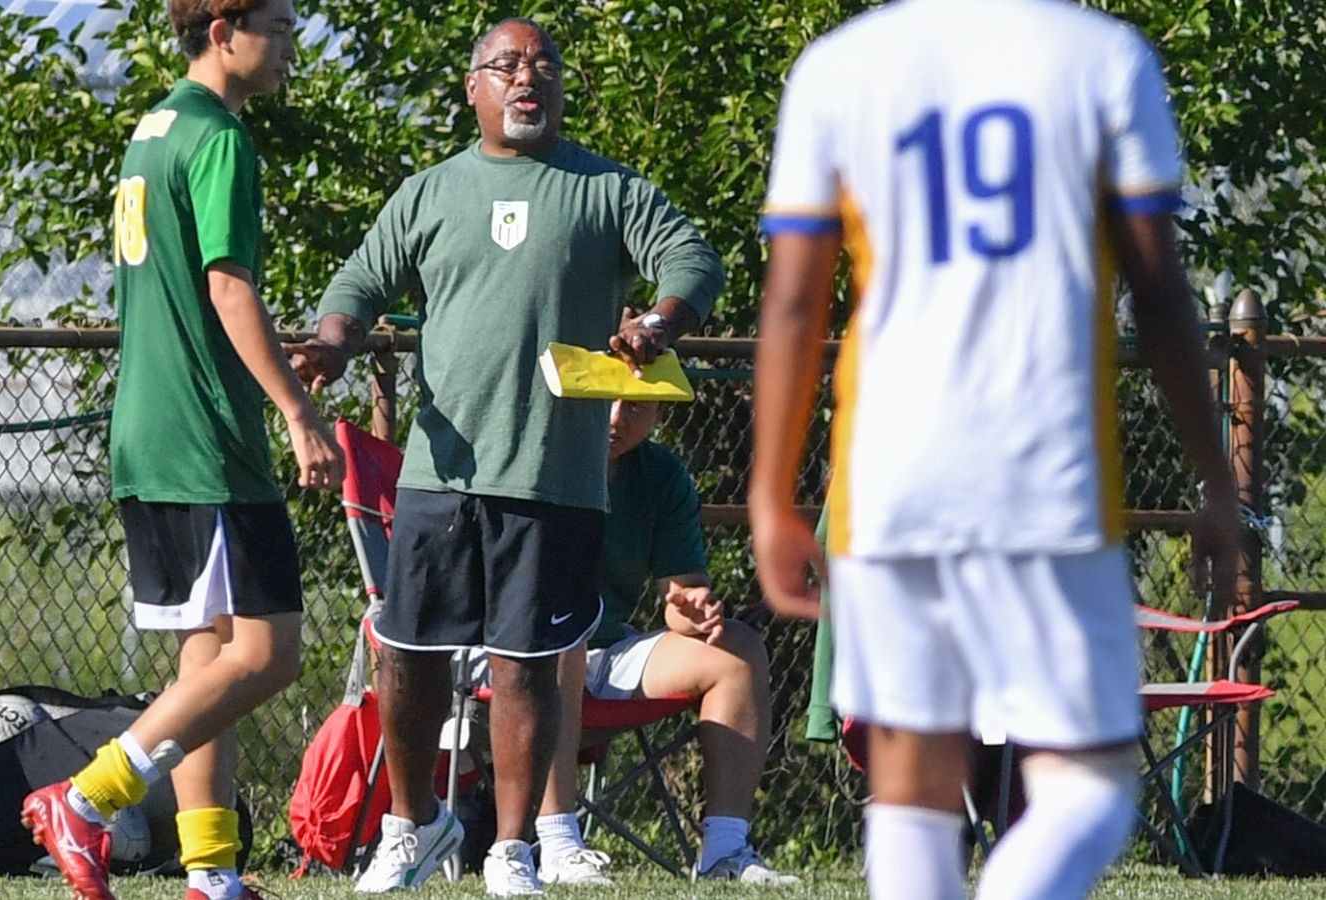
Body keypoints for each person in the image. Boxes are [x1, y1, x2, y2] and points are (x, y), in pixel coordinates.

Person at [748, 2, 1241, 900]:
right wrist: (1215, 480)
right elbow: (1162, 294)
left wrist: (770, 495)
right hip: (1045, 467)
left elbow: (791, 302)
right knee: (1091, 784)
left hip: (890, 471)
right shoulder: (1102, 56)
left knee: (911, 788)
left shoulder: (841, 65)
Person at [288, 17, 722, 896]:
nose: (529, 79)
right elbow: (359, 282)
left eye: (544, 66)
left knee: (528, 667)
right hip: (440, 472)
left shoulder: (606, 189)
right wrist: (334, 342)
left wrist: (656, 323)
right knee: (407, 654)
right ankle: (413, 827)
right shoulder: (430, 192)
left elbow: (693, 260)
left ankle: (512, 851)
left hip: (552, 478)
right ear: (473, 86)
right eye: (508, 65)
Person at [20, 3, 344, 900]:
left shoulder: (153, 128)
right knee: (269, 655)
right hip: (205, 437)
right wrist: (298, 413)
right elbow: (228, 288)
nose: (291, 44)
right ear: (223, 29)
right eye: (278, 25)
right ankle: (86, 799)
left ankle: (213, 878)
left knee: (210, 662)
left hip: (151, 430)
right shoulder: (220, 137)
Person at [524, 399, 797, 886]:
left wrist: (692, 609)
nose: (616, 417)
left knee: (739, 650)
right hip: (518, 652)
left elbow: (679, 595)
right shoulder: (531, 457)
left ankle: (725, 852)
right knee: (561, 638)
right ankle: (559, 845)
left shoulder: (662, 475)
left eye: (635, 405)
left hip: (607, 651)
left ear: (659, 411)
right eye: (605, 397)